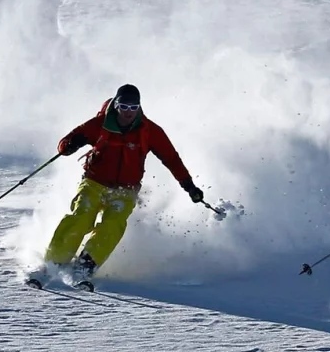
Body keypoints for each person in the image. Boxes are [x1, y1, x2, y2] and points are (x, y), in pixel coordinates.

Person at [35, 84, 204, 288]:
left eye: (133, 108)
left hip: (126, 190)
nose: (128, 112)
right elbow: (64, 144)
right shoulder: (99, 124)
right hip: (94, 182)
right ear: (116, 105)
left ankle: (85, 265)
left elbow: (171, 159)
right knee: (82, 214)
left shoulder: (150, 131)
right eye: (124, 106)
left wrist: (189, 185)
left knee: (114, 224)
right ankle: (55, 262)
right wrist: (71, 144)